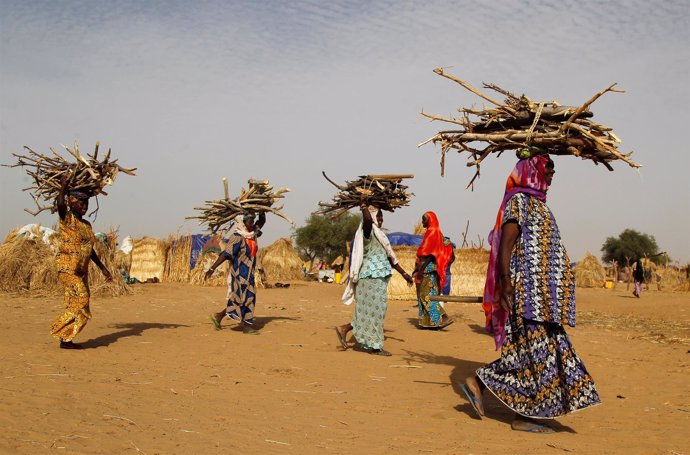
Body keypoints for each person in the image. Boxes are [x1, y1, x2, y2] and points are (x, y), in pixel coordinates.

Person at [460, 154, 600, 433]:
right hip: (527, 297)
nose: (552, 173)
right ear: (532, 170)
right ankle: (524, 415)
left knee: (541, 355)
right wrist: (505, 282)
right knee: (538, 356)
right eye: (548, 168)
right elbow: (506, 245)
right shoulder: (518, 202)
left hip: (546, 301)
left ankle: (481, 383)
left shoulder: (542, 207)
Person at [335, 204, 414, 356]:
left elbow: (391, 258)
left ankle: (344, 329)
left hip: (377, 279)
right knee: (376, 312)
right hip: (369, 278)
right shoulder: (368, 232)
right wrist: (364, 205)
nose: (381, 220)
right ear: (372, 218)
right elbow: (366, 220)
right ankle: (375, 346)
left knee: (371, 311)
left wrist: (404, 274)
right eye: (378, 216)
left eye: (382, 217)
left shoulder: (381, 237)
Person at [50, 173, 113, 349]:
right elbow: (60, 204)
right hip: (67, 267)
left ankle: (67, 339)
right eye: (81, 203)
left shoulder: (86, 225)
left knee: (81, 305)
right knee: (81, 299)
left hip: (81, 270)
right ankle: (59, 329)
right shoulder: (67, 219)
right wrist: (63, 186)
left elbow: (89, 249)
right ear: (71, 202)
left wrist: (103, 268)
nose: (84, 206)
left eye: (86, 203)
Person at [207, 212, 266, 334]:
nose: (252, 224)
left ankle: (220, 316)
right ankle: (245, 325)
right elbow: (226, 254)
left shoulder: (252, 234)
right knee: (240, 298)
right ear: (242, 222)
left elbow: (262, 221)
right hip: (238, 273)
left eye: (252, 221)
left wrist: (261, 209)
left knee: (246, 298)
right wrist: (212, 269)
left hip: (249, 274)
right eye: (249, 221)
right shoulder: (237, 237)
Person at [413, 211, 455, 329]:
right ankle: (429, 322)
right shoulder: (431, 233)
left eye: (424, 219)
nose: (422, 222)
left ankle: (443, 317)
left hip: (428, 270)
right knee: (426, 295)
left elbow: (430, 254)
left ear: (430, 220)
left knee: (427, 296)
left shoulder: (433, 233)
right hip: (426, 269)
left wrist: (421, 268)